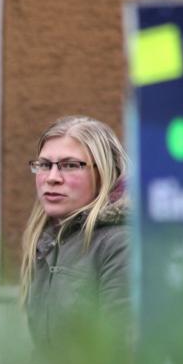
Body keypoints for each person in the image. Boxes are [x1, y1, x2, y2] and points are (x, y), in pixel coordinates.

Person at [20, 115, 130, 352]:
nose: (52, 178)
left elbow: (121, 352)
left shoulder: (120, 243)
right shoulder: (46, 239)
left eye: (70, 165)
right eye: (44, 165)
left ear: (104, 173)